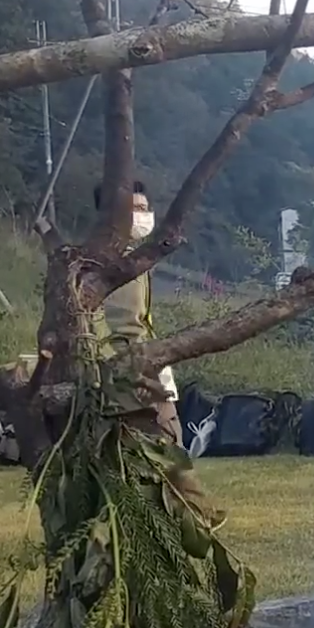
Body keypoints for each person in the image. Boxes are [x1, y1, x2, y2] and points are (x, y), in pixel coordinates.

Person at [97, 181, 182, 444]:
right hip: (123, 369)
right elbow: (96, 321)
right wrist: (129, 370)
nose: (142, 215)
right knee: (162, 453)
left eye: (145, 208)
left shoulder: (138, 259)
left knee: (172, 447)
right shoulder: (98, 263)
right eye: (135, 209)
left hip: (148, 359)